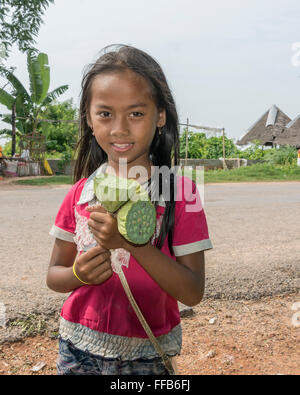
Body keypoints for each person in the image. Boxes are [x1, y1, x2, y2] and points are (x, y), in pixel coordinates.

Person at [46, 44, 213, 375]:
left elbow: (192, 292)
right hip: (79, 349)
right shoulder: (80, 195)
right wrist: (78, 275)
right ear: (89, 119)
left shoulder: (180, 194)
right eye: (105, 113)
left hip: (147, 358)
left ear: (160, 116)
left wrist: (132, 245)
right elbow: (54, 275)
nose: (119, 128)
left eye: (136, 113)